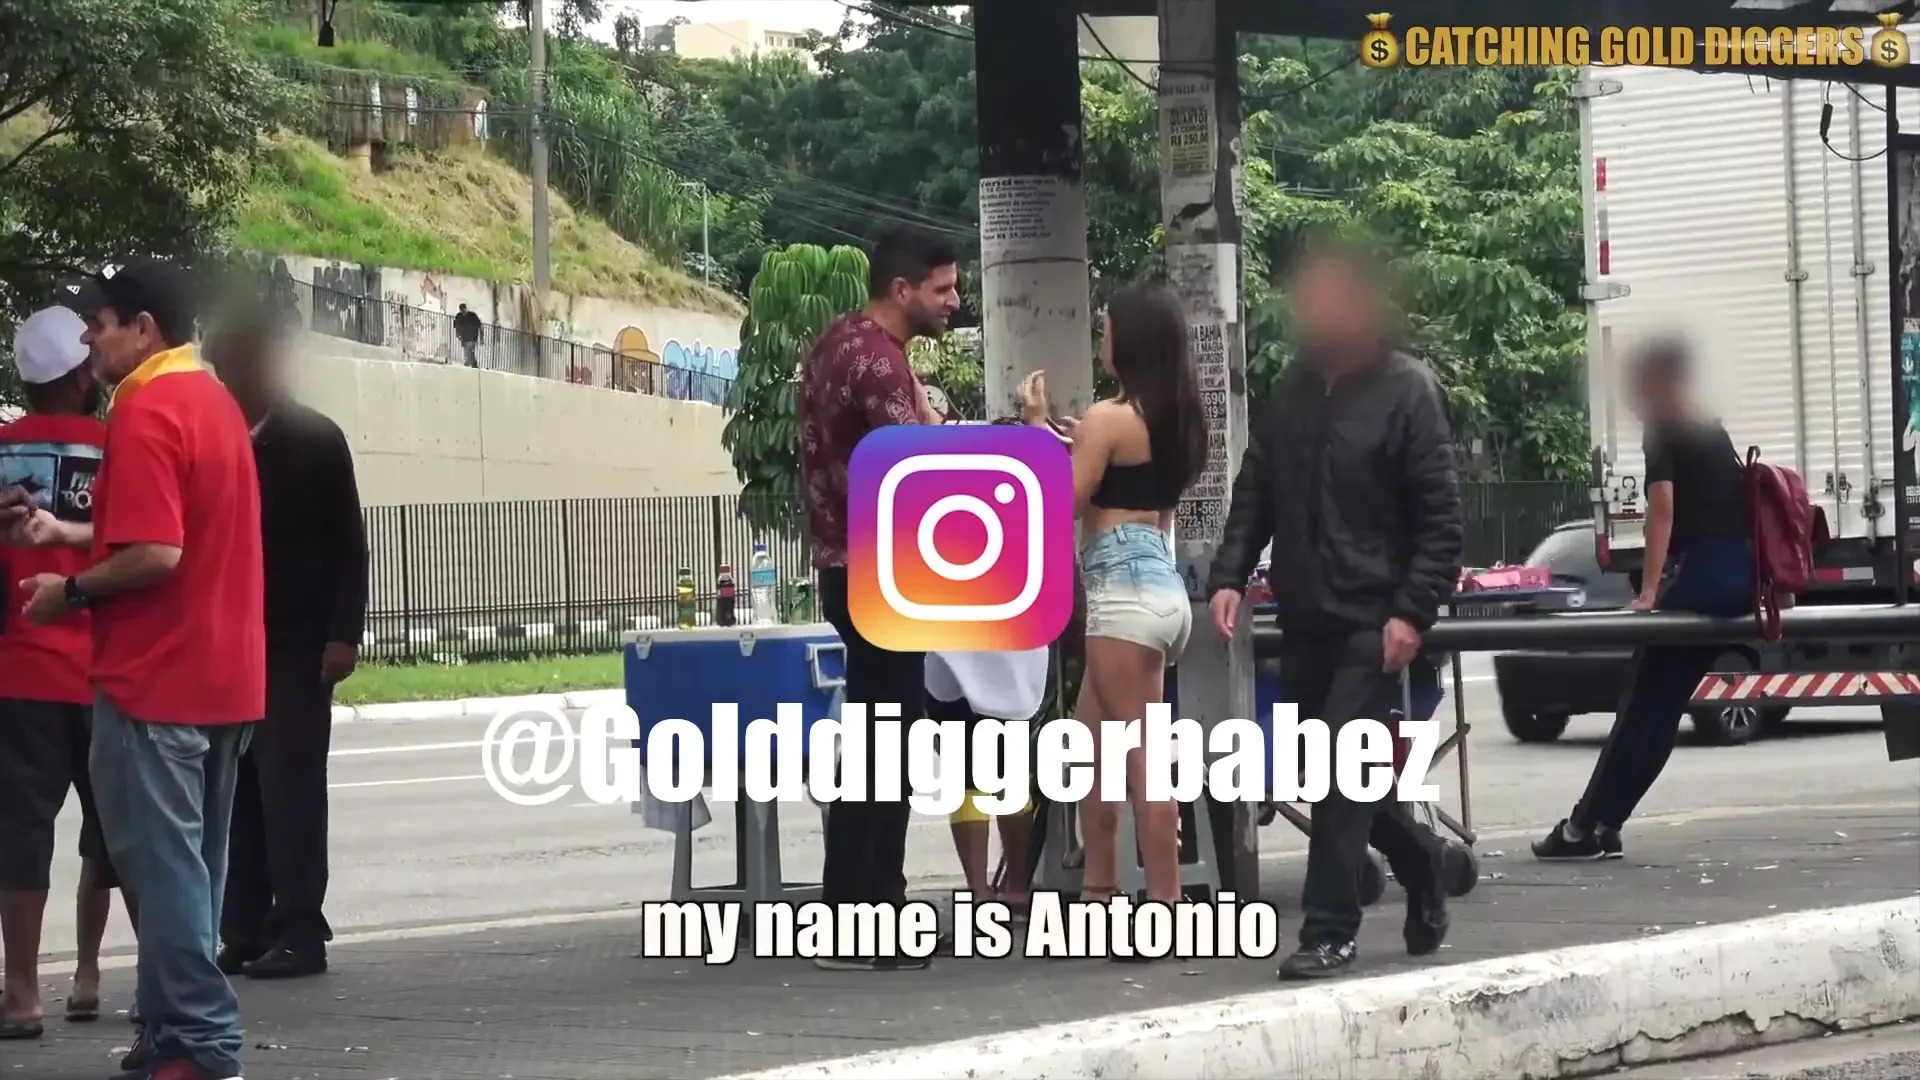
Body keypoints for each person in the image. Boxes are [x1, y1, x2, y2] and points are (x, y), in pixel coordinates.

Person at [18, 257, 266, 1080]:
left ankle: (201, 1042)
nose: (88, 341)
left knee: (163, 878)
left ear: (143, 329)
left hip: (155, 680)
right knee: (196, 871)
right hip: (226, 678)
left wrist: (68, 591)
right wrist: (67, 535)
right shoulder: (213, 400)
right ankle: (169, 1029)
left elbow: (157, 552)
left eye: (99, 324)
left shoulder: (145, 407)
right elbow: (170, 530)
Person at [1205, 242, 1462, 980]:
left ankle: (1328, 929)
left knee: (1343, 774)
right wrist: (1229, 574)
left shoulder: (1409, 391)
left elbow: (1441, 521)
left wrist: (1410, 612)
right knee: (1328, 770)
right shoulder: (1292, 389)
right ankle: (1423, 859)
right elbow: (1257, 487)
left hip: (1374, 618)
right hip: (1305, 611)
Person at [1017, 280, 1207, 925]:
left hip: (1121, 596)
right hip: (1158, 589)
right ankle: (1098, 893)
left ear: (1130, 341)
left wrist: (1037, 428)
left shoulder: (1107, 418)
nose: (1102, 339)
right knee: (1093, 753)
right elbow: (1123, 488)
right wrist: (1075, 445)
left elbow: (1061, 503)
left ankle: (1166, 906)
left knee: (1142, 761)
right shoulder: (1175, 422)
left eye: (1106, 329)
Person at [799, 229, 957, 971]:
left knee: (874, 740)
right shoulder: (881, 362)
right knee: (890, 744)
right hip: (882, 572)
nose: (952, 302)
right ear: (902, 290)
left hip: (844, 566)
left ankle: (852, 907)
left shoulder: (834, 343)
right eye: (942, 289)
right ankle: (873, 916)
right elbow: (923, 471)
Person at [1533, 340, 1752, 861]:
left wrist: (1650, 591)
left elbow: (1662, 507)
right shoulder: (1710, 426)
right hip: (1738, 578)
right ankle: (1606, 823)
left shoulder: (1663, 427)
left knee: (1641, 707)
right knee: (1662, 707)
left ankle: (1582, 829)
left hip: (1701, 578)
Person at [206, 315, 367, 979]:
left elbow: (349, 545)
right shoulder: (216, 440)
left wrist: (342, 634)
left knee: (290, 790)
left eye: (235, 369)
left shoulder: (314, 439)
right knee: (236, 793)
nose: (228, 383)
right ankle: (242, 928)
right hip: (227, 644)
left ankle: (300, 928)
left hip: (296, 645)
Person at [0, 306, 130, 1040]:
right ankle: (124, 982)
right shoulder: (118, 448)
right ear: (82, 376)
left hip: (18, 672)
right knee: (123, 834)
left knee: (21, 833)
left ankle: (22, 994)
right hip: (109, 670)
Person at [926, 646, 1043, 916]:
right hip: (1011, 660)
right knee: (1011, 774)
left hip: (951, 655)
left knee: (967, 776)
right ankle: (1017, 887)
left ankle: (978, 890)